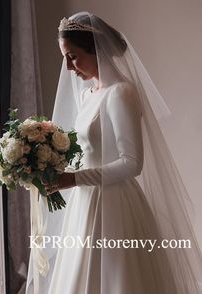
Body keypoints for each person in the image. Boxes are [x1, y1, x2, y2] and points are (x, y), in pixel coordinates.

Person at [26, 11, 202, 294]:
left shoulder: (121, 93)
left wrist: (75, 179)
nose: (69, 67)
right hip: (85, 203)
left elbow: (132, 163)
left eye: (72, 56)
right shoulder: (88, 94)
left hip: (114, 203)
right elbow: (86, 148)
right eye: (65, 57)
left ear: (95, 50)